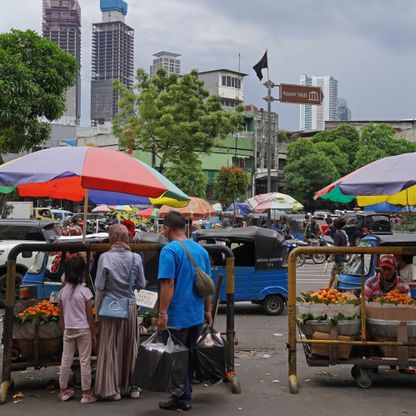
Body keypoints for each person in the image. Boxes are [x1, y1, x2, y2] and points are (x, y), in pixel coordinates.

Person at [157, 211, 212, 411]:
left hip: (176, 316)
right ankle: (184, 396)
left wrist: (162, 313)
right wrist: (208, 310)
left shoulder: (169, 251)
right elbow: (207, 285)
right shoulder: (200, 250)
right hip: (196, 314)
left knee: (175, 359)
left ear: (167, 228)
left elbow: (168, 284)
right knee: (188, 357)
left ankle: (181, 396)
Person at [94, 224, 146, 400]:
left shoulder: (105, 258)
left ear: (112, 237)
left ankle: (113, 389)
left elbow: (100, 286)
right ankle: (134, 387)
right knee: (130, 346)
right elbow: (142, 284)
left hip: (111, 307)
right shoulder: (136, 258)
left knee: (111, 347)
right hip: (130, 307)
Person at [58, 256, 96, 404]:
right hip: (84, 329)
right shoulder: (85, 292)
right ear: (81, 273)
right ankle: (86, 394)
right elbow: (89, 316)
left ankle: (63, 391)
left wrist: (64, 331)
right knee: (85, 361)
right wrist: (93, 333)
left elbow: (61, 315)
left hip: (68, 329)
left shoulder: (62, 293)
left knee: (65, 360)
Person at [328, 219, 348, 288]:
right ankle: (328, 288)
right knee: (333, 273)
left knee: (341, 275)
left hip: (339, 258)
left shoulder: (337, 235)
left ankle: (341, 287)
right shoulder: (343, 234)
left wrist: (331, 256)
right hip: (342, 256)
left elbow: (335, 247)